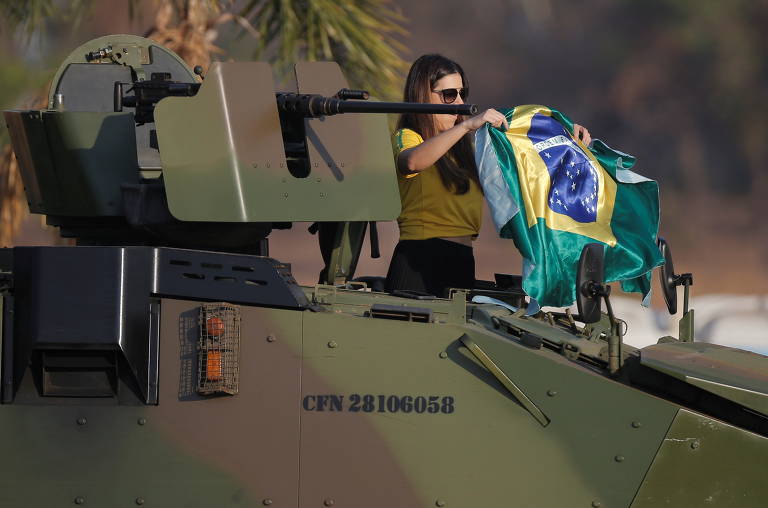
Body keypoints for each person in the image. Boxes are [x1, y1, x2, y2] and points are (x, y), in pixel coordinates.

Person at [385, 54, 591, 297]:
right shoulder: (408, 136)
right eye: (449, 95)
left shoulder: (465, 151)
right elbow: (412, 162)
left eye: (462, 93)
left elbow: (528, 172)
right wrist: (466, 126)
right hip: (419, 261)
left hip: (461, 260)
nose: (459, 102)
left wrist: (568, 142)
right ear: (423, 96)